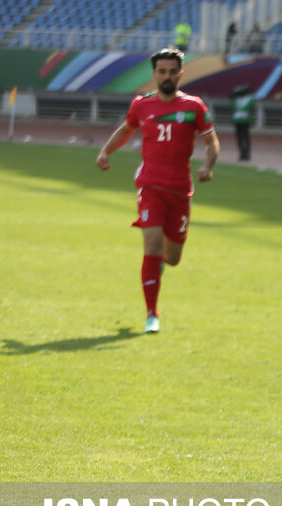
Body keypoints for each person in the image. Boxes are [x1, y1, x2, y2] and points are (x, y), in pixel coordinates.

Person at [95, 47, 219, 334]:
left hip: (180, 190)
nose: (167, 76)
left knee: (172, 258)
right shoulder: (141, 105)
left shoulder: (193, 107)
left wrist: (208, 165)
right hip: (150, 186)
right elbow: (126, 130)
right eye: (161, 71)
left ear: (180, 74)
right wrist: (105, 151)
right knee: (150, 245)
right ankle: (152, 314)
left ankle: (160, 266)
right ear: (154, 74)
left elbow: (211, 141)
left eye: (172, 71)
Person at [231, 84, 254, 161]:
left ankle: (247, 153)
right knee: (239, 138)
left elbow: (247, 107)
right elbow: (233, 107)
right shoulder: (236, 99)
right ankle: (241, 153)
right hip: (237, 120)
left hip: (245, 120)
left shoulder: (249, 98)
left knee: (246, 137)